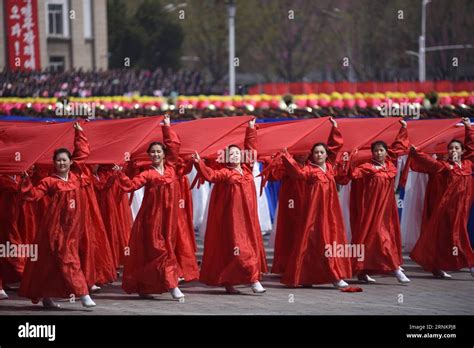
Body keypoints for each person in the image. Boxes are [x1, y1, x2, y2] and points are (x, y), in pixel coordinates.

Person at [19, 122, 97, 308]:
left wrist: (78, 132)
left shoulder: (76, 177)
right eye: (58, 160)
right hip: (55, 229)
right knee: (68, 259)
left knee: (52, 263)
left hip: (74, 228)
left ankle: (47, 297)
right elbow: (33, 195)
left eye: (65, 160)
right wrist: (25, 181)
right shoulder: (50, 181)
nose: (62, 163)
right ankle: (83, 293)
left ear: (70, 162)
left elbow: (83, 152)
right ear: (54, 163)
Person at [192, 118, 268, 294]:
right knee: (239, 247)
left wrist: (250, 130)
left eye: (237, 154)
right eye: (231, 154)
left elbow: (251, 149)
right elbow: (210, 175)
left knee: (248, 245)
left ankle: (233, 280)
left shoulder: (247, 170)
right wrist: (199, 163)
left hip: (248, 218)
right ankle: (252, 279)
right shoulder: (225, 173)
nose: (234, 156)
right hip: (233, 220)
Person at [113, 115, 184, 300]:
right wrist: (119, 173)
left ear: (164, 153)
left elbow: (175, 146)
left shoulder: (171, 167)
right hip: (151, 219)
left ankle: (146, 284)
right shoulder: (147, 174)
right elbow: (130, 186)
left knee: (166, 247)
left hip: (169, 219)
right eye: (152, 152)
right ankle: (172, 285)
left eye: (158, 151)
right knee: (159, 250)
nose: (155, 154)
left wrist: (166, 127)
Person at [279, 117, 352, 288]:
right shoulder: (309, 170)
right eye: (316, 152)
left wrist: (334, 129)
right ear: (312, 155)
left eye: (322, 152)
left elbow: (335, 147)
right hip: (313, 213)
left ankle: (332, 275)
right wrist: (286, 156)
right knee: (314, 241)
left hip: (330, 213)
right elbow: (297, 172)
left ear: (326, 154)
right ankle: (319, 276)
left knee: (331, 240)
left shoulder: (330, 167)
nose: (319, 155)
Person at [343, 120, 411, 284]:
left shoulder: (389, 166)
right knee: (375, 238)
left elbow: (399, 146)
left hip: (387, 211)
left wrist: (403, 128)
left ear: (385, 152)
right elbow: (353, 174)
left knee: (382, 238)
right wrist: (350, 158)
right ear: (372, 153)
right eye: (376, 151)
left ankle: (364, 271)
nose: (379, 153)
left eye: (381, 150)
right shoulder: (367, 167)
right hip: (371, 210)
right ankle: (394, 269)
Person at [409, 117, 474, 278]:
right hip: (447, 210)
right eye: (451, 149)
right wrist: (415, 152)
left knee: (456, 236)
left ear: (462, 151)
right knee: (452, 236)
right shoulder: (445, 167)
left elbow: (472, 148)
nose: (453, 151)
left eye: (456, 148)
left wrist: (468, 128)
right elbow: (429, 162)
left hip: (462, 209)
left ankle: (441, 265)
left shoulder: (467, 165)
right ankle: (468, 264)